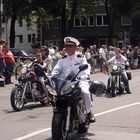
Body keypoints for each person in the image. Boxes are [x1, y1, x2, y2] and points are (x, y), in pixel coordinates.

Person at [51, 36, 95, 123]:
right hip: (66, 83)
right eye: (67, 46)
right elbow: (57, 69)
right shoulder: (62, 60)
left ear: (75, 47)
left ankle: (89, 112)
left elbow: (86, 67)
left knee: (85, 92)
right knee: (55, 95)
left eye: (70, 46)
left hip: (79, 80)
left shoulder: (81, 57)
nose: (68, 48)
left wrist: (85, 75)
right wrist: (52, 75)